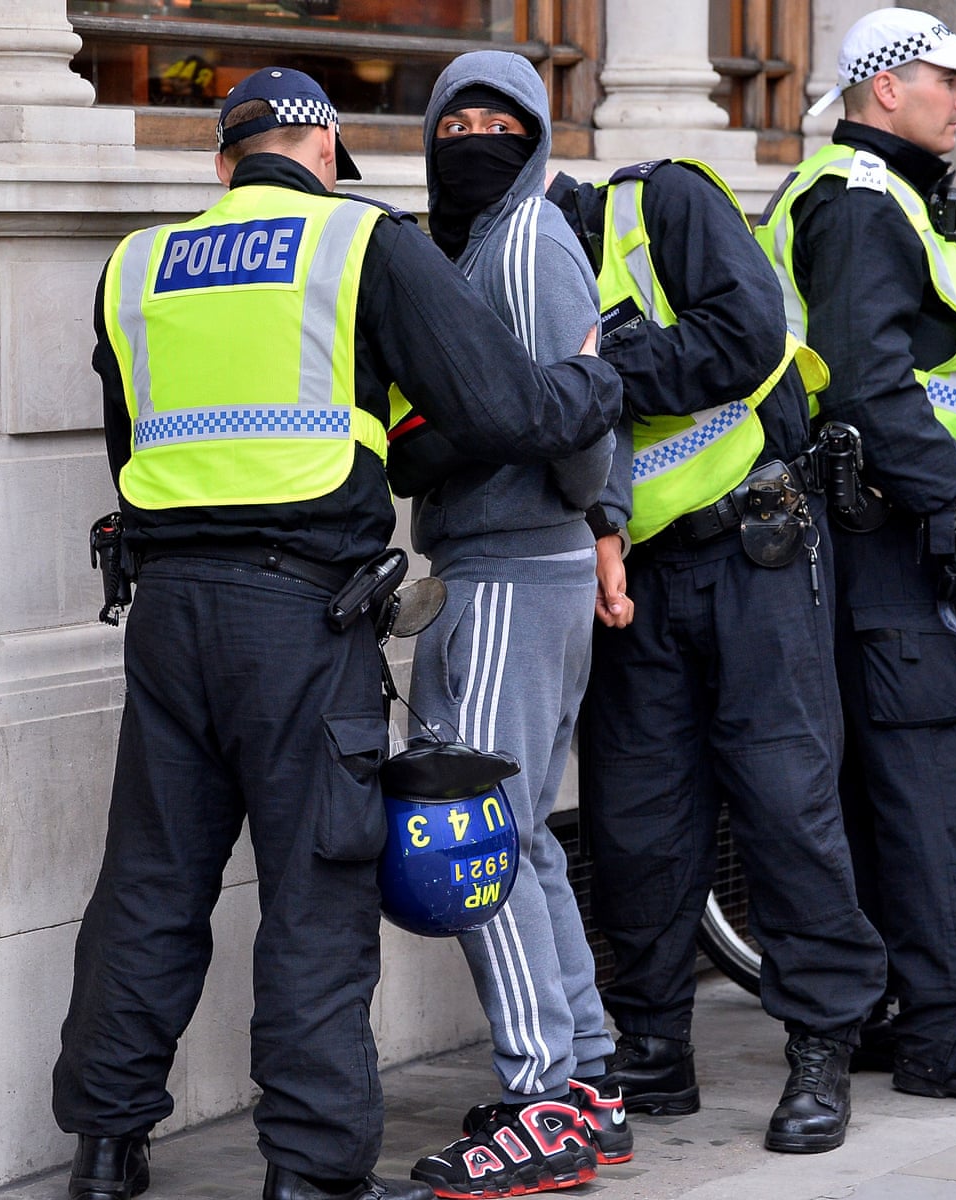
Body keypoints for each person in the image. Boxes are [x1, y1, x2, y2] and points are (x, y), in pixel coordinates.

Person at [50, 66, 622, 1200]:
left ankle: (107, 1152)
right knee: (314, 890)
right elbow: (505, 408)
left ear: (222, 162)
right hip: (304, 621)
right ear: (322, 154)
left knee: (150, 884)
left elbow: (135, 456)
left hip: (167, 614)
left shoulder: (137, 267)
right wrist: (600, 382)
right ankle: (310, 1175)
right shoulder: (356, 244)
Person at [755, 8, 956, 1103]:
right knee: (936, 791)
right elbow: (867, 383)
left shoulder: (846, 195)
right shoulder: (859, 203)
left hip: (853, 540)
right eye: (950, 83)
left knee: (884, 789)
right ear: (886, 88)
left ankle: (904, 1012)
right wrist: (955, 509)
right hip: (889, 541)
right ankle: (950, 1036)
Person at [547, 143, 893, 1149]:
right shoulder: (497, 265)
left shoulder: (661, 201)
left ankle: (824, 1041)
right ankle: (654, 1045)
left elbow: (743, 337)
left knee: (788, 802)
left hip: (756, 550)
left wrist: (596, 372)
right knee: (636, 820)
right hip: (628, 580)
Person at [389, 51, 630, 1199]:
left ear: (535, 136)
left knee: (469, 833)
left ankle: (544, 1102)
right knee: (521, 834)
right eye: (455, 118)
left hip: (506, 569)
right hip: (517, 568)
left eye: (499, 119)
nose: (472, 136)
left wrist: (584, 510)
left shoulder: (526, 238)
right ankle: (588, 1076)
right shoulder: (480, 245)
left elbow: (579, 416)